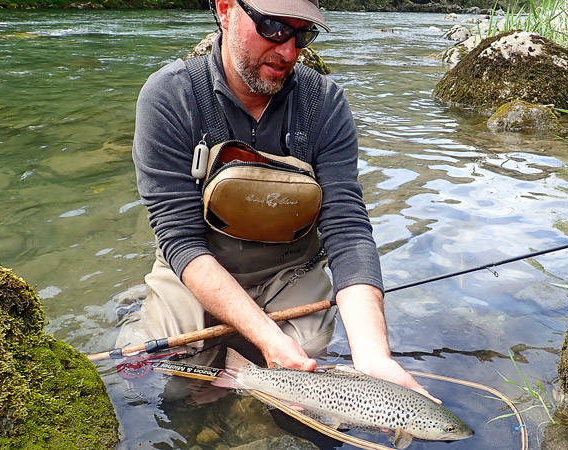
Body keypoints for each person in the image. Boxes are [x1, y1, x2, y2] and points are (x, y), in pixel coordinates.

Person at [117, 0, 436, 400]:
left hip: (291, 271)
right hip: (197, 263)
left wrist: (373, 356)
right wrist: (265, 335)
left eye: (302, 33)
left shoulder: (325, 104)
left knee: (305, 366)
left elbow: (347, 229)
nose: (289, 51)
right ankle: (140, 308)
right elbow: (179, 239)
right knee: (177, 379)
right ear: (226, 9)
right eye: (272, 27)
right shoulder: (170, 97)